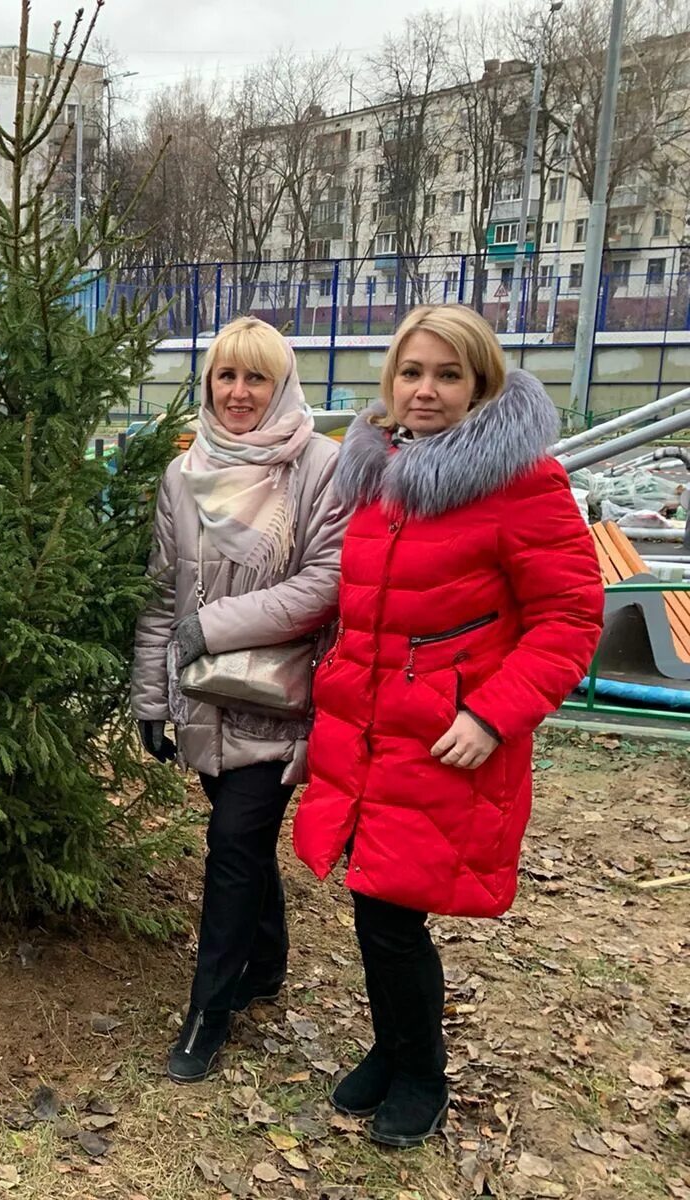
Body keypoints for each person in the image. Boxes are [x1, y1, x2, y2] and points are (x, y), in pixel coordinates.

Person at [295, 305, 602, 1148]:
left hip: (443, 738)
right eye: (411, 373)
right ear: (390, 381)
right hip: (366, 732)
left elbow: (571, 616)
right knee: (373, 904)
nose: (424, 391)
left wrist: (494, 715)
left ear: (481, 385)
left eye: (447, 375)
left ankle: (421, 1073)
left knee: (391, 913)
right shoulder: (377, 473)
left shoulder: (521, 484)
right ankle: (394, 1050)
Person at [132, 316, 347, 1083]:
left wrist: (209, 626)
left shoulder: (322, 467)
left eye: (256, 377)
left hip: (281, 701)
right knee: (241, 844)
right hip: (202, 702)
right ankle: (267, 963)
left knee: (230, 847)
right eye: (227, 376)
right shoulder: (184, 475)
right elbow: (162, 595)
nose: (239, 393)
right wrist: (150, 698)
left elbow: (326, 582)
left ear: (282, 383)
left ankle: (207, 1015)